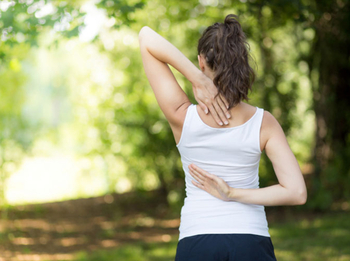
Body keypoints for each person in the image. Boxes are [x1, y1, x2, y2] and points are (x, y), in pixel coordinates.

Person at [139, 14, 307, 261]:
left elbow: (145, 36)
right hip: (250, 241)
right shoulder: (263, 122)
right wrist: (233, 193)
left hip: (197, 241)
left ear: (201, 62)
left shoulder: (182, 116)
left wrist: (194, 77)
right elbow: (296, 192)